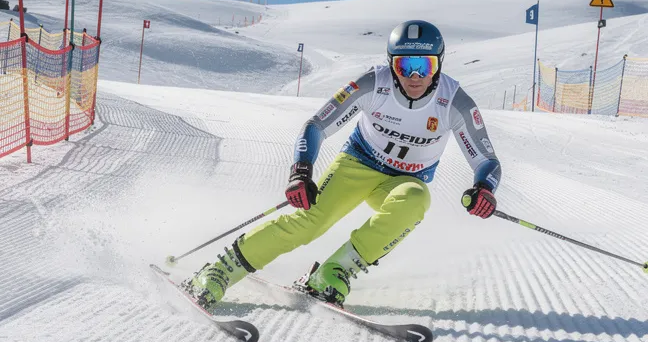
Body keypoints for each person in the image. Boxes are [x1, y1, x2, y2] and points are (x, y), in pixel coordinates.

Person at [187, 20, 502, 308]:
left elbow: (487, 160)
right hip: (358, 165)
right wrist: (301, 172)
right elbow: (316, 126)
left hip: (405, 179)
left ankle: (333, 273)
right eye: (405, 65)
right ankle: (218, 271)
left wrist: (484, 187)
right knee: (310, 223)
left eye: (425, 65)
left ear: (439, 63)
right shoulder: (373, 85)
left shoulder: (455, 102)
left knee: (416, 200)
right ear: (391, 63)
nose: (414, 76)